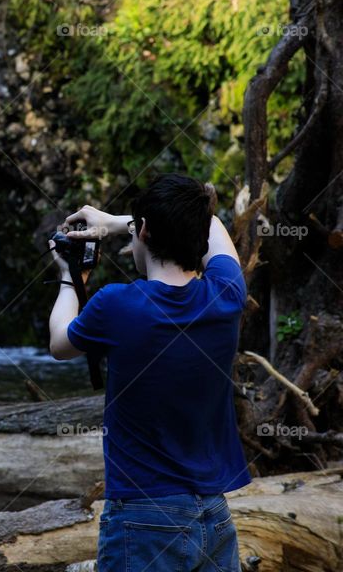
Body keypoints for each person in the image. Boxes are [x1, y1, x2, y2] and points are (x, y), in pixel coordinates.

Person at [47, 173, 250, 572]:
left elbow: (59, 343)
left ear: (143, 232)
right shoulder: (227, 294)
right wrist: (120, 221)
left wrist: (70, 279)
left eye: (135, 230)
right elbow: (210, 223)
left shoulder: (117, 305)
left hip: (143, 520)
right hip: (214, 514)